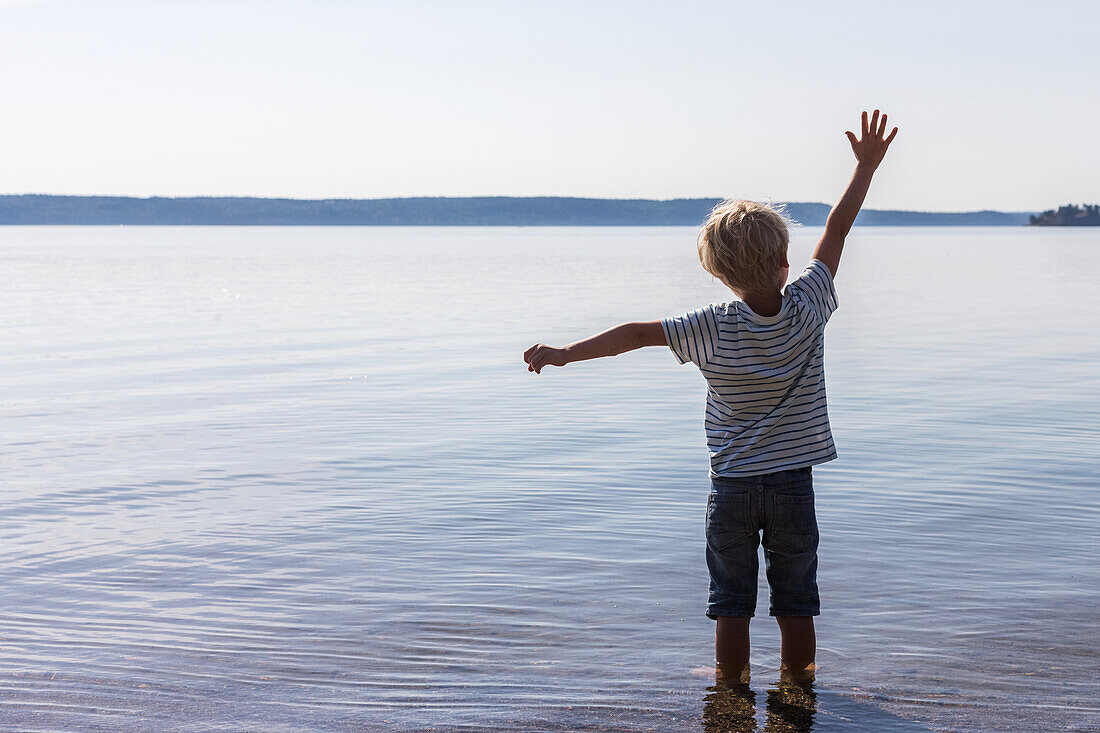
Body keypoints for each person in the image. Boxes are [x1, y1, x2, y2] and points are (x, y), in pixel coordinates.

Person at [523, 110, 898, 682]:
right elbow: (837, 231)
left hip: (732, 486)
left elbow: (635, 336)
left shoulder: (709, 326)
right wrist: (865, 168)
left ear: (719, 275)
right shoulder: (809, 305)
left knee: (731, 600)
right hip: (794, 481)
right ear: (783, 263)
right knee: (797, 597)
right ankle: (799, 686)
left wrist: (566, 353)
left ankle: (730, 688)